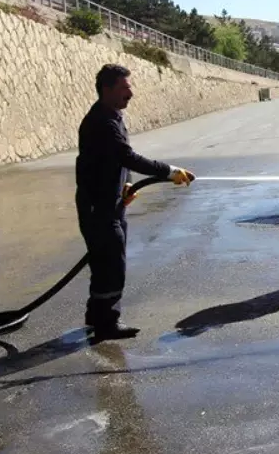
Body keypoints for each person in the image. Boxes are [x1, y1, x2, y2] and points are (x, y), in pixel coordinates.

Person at [76, 64, 195, 340]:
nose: (131, 93)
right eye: (124, 88)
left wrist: (125, 185)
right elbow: (127, 156)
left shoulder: (112, 115)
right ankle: (107, 324)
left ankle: (96, 315)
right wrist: (168, 171)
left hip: (110, 203)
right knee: (111, 265)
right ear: (107, 90)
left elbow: (115, 161)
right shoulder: (102, 122)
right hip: (100, 208)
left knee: (104, 262)